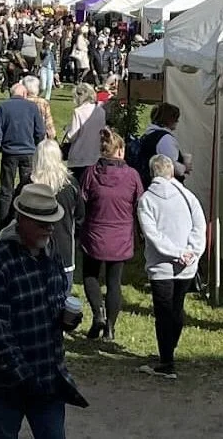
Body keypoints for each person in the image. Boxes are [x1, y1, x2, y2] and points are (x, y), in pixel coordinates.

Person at [0, 184, 88, 439]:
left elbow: (57, 301)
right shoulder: (0, 262)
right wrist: (25, 378)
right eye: (43, 223)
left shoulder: (52, 255)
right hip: (4, 384)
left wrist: (67, 318)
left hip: (47, 376)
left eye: (52, 222)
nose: (50, 229)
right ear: (22, 220)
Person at [136, 154, 207, 379]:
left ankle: (167, 360)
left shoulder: (146, 199)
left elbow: (152, 235)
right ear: (172, 172)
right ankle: (169, 352)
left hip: (161, 266)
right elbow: (200, 226)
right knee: (177, 307)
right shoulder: (188, 196)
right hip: (186, 265)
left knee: (164, 312)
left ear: (151, 173)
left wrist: (176, 253)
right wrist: (191, 252)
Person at [78, 128, 144, 341]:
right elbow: (140, 203)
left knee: (90, 275)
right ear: (120, 151)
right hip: (121, 235)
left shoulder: (90, 172)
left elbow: (82, 201)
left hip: (95, 232)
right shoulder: (132, 176)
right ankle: (110, 328)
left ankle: (98, 314)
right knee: (114, 281)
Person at [2, 139, 85, 292]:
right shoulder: (70, 185)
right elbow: (80, 218)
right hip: (63, 252)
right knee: (61, 304)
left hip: (32, 254)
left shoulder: (28, 186)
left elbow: (14, 218)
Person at [0, 83, 47, 223]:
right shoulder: (32, 107)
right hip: (28, 152)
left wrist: (0, 146)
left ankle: (4, 222)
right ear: (25, 94)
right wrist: (36, 145)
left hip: (9, 153)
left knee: (6, 189)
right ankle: (24, 219)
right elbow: (40, 131)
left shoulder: (2, 107)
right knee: (27, 187)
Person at [134, 103, 189, 186]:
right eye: (175, 118)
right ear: (169, 119)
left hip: (149, 183)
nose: (177, 121)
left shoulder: (149, 134)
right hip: (164, 186)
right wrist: (185, 166)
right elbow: (172, 166)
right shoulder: (165, 139)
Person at [61, 83, 106, 181]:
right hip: (95, 155)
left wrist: (67, 130)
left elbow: (72, 135)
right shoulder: (101, 111)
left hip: (79, 156)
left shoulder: (78, 111)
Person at [21, 76, 56, 141]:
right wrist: (52, 136)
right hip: (40, 137)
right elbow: (48, 123)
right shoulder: (43, 102)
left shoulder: (20, 102)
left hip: (23, 137)